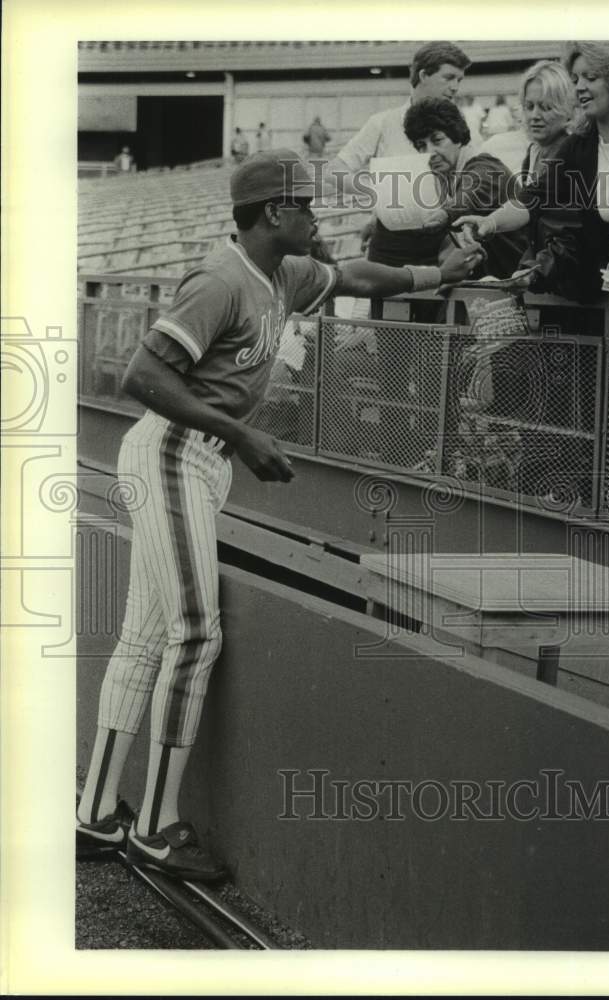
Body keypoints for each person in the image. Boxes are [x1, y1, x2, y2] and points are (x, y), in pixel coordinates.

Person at [75, 149, 483, 881]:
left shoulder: (284, 274)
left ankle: (97, 813)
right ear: (273, 212)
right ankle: (158, 828)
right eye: (305, 205)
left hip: (197, 457)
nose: (316, 216)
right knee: (195, 632)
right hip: (172, 450)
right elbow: (143, 375)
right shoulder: (221, 279)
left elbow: (357, 274)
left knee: (145, 635)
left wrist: (435, 275)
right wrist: (240, 433)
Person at [457, 41, 609, 306]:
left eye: (591, 77)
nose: (579, 86)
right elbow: (534, 198)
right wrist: (489, 222)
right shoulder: (579, 146)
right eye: (575, 79)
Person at [320, 41, 471, 267]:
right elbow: (333, 172)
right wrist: (380, 195)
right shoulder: (383, 123)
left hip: (442, 243)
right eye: (449, 78)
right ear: (423, 75)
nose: (455, 87)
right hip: (391, 243)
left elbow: (474, 179)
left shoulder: (462, 126)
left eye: (459, 80)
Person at [402, 97, 529, 278]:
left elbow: (471, 192)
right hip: (498, 276)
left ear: (457, 137)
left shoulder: (484, 166)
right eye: (421, 146)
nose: (429, 153)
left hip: (519, 279)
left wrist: (445, 214)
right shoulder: (450, 175)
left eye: (437, 140)